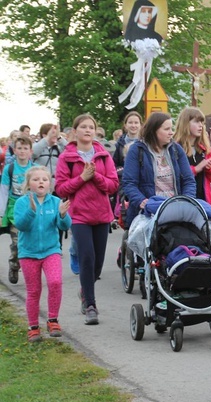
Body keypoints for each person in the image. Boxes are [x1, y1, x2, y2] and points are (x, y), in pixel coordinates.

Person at [56, 114, 119, 326]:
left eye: (91, 127)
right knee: (86, 258)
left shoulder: (103, 155)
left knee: (98, 265)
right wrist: (82, 178)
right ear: (75, 131)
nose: (87, 130)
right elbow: (61, 188)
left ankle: (85, 290)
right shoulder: (67, 157)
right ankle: (91, 306)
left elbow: (113, 185)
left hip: (101, 214)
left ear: (95, 130)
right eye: (83, 127)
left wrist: (95, 177)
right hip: (80, 215)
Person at [12, 167, 71, 342]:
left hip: (50, 250)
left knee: (55, 282)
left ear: (49, 184)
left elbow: (64, 226)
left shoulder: (55, 202)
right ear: (28, 184)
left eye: (44, 179)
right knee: (34, 291)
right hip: (28, 253)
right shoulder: (22, 203)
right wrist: (30, 211)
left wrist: (62, 214)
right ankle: (33, 327)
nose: (40, 182)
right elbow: (21, 226)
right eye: (36, 179)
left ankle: (52, 320)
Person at [121, 112, 196, 229]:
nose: (171, 132)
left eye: (171, 128)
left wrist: (186, 201)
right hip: (147, 214)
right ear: (154, 130)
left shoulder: (176, 150)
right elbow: (129, 182)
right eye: (167, 129)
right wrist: (142, 201)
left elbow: (189, 180)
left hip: (175, 212)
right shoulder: (136, 150)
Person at [0, 135, 38, 284]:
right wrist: (1, 213)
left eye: (25, 148)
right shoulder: (10, 169)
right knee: (17, 243)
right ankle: (14, 264)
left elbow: (41, 190)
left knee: (31, 243)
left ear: (30, 151)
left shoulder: (34, 169)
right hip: (15, 211)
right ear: (14, 150)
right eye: (19, 148)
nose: (22, 151)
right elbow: (3, 191)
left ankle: (32, 271)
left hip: (32, 210)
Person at [174, 107, 211, 209]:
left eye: (202, 122)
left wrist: (210, 168)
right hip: (182, 199)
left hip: (203, 200)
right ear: (185, 124)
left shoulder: (204, 148)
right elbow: (174, 175)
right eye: (196, 122)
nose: (201, 126)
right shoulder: (175, 148)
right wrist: (196, 169)